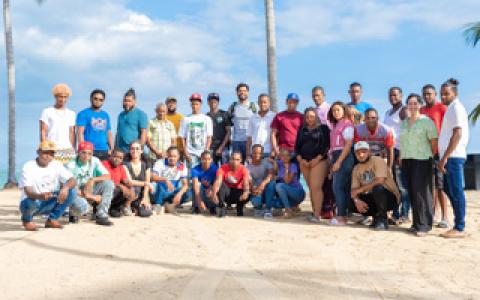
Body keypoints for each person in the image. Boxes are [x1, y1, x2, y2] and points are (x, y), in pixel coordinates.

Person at [400, 94, 438, 237]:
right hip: (407, 160)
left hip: (422, 160)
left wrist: (428, 156)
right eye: (410, 103)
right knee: (412, 192)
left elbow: (434, 142)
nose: (413, 106)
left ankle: (424, 225)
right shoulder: (404, 122)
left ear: (420, 105)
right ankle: (416, 223)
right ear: (407, 105)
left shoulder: (427, 121)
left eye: (415, 103)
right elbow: (403, 142)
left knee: (422, 193)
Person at [19, 141, 78, 231]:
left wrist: (65, 188)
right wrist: (40, 196)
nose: (48, 156)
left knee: (72, 191)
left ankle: (52, 220)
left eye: (51, 153)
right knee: (29, 202)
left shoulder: (56, 164)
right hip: (33, 202)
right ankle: (27, 220)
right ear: (38, 152)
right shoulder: (28, 166)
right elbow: (28, 191)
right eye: (45, 152)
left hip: (49, 200)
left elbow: (72, 180)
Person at [438, 78, 470, 238]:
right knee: (447, 189)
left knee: (456, 191)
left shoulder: (456, 108)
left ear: (454, 93)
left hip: (454, 156)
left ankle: (459, 227)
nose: (443, 97)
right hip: (450, 156)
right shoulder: (451, 108)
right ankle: (458, 222)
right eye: (441, 94)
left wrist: (445, 157)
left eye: (446, 94)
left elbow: (457, 134)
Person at [351, 141, 400, 230]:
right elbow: (353, 190)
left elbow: (380, 181)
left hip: (389, 197)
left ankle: (383, 220)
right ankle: (375, 217)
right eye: (358, 153)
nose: (361, 155)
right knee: (349, 201)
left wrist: (359, 190)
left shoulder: (377, 160)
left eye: (363, 151)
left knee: (377, 188)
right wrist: (356, 200)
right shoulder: (356, 168)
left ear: (369, 152)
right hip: (373, 198)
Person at [420, 84, 449, 228]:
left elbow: (448, 129)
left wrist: (446, 153)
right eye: (424, 94)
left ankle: (445, 217)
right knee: (429, 185)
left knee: (440, 185)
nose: (427, 96)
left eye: (429, 94)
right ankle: (433, 213)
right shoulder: (421, 110)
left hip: (439, 153)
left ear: (435, 94)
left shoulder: (442, 108)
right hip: (425, 153)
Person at [65, 141, 114, 226]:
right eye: (83, 152)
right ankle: (73, 213)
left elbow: (108, 176)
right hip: (75, 191)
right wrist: (92, 197)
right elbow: (68, 186)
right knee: (84, 208)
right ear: (78, 152)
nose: (86, 156)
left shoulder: (95, 161)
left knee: (109, 184)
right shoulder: (70, 164)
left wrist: (92, 180)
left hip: (89, 189)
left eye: (89, 153)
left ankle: (101, 215)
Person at [295, 107, 330, 223]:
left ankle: (317, 214)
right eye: (307, 117)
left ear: (316, 116)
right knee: (311, 188)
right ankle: (314, 211)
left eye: (312, 116)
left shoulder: (323, 128)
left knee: (316, 187)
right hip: (304, 162)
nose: (310, 119)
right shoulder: (302, 130)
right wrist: (301, 160)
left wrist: (317, 159)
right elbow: (297, 148)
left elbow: (326, 145)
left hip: (319, 161)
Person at [383, 87, 410, 223]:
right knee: (392, 184)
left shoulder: (404, 110)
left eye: (395, 95)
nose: (392, 97)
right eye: (390, 95)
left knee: (402, 185)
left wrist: (403, 153)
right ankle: (395, 213)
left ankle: (405, 214)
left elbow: (407, 131)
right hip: (389, 151)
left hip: (400, 150)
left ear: (401, 95)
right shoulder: (388, 112)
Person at [327, 101, 355, 226]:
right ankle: (343, 215)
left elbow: (348, 144)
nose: (336, 112)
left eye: (338, 109)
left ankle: (342, 217)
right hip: (336, 156)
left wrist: (338, 162)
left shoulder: (347, 123)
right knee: (338, 187)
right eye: (334, 110)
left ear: (344, 110)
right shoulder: (336, 125)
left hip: (344, 157)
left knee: (339, 187)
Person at [40, 83, 76, 163]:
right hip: (52, 148)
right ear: (55, 96)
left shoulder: (71, 113)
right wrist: (44, 148)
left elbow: (72, 133)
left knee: (68, 174)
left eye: (65, 97)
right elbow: (43, 131)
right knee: (52, 173)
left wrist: (73, 149)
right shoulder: (47, 111)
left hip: (67, 149)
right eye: (60, 96)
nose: (63, 99)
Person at [151, 146, 191, 214]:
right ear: (167, 155)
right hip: (160, 191)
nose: (172, 158)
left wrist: (179, 194)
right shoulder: (160, 162)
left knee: (189, 193)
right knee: (155, 185)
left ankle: (170, 205)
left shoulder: (181, 166)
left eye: (175, 156)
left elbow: (185, 185)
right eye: (170, 156)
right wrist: (165, 180)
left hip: (172, 192)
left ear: (178, 156)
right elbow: (153, 177)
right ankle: (158, 205)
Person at [76, 89, 114, 161]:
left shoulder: (105, 115)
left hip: (105, 151)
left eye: (101, 100)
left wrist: (112, 149)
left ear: (103, 101)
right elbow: (80, 132)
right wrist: (82, 149)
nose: (98, 101)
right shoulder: (83, 113)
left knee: (104, 172)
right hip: (90, 151)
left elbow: (108, 133)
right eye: (95, 99)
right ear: (91, 99)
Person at [179, 93, 213, 167]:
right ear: (191, 105)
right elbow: (182, 137)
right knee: (190, 175)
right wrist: (185, 152)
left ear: (200, 104)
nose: (195, 106)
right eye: (193, 104)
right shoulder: (185, 119)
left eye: (197, 104)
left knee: (203, 176)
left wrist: (206, 152)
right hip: (190, 153)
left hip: (203, 153)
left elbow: (209, 136)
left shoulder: (207, 119)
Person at [212, 151, 250, 217]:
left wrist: (246, 192)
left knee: (248, 192)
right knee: (220, 185)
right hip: (227, 193)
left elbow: (246, 182)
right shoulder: (222, 168)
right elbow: (218, 181)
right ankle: (221, 207)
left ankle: (239, 208)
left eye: (237, 159)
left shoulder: (244, 169)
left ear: (241, 160)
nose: (234, 161)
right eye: (232, 159)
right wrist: (214, 193)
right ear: (229, 159)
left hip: (238, 193)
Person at [101, 149, 137, 218]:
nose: (117, 159)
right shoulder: (104, 164)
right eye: (115, 156)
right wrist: (121, 186)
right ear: (111, 156)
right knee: (118, 189)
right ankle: (100, 209)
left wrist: (131, 187)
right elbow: (105, 180)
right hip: (104, 189)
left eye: (120, 158)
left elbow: (125, 180)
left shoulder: (120, 167)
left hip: (115, 191)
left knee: (130, 190)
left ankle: (113, 208)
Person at [122, 141, 153, 217]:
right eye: (132, 149)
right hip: (129, 193)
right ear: (130, 151)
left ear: (141, 151)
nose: (135, 151)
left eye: (137, 148)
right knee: (135, 189)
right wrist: (146, 183)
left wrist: (145, 197)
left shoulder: (146, 164)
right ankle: (126, 206)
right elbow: (130, 182)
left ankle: (135, 208)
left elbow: (147, 181)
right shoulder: (125, 164)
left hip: (141, 194)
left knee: (146, 213)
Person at [273, 148, 305, 218]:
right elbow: (274, 169)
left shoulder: (293, 166)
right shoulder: (279, 163)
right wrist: (275, 159)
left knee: (279, 186)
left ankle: (288, 210)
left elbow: (287, 181)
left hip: (298, 193)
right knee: (275, 203)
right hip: (289, 197)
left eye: (287, 155)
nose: (285, 157)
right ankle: (293, 207)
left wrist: (286, 169)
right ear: (280, 157)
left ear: (290, 157)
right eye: (283, 156)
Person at [228, 83, 257, 161]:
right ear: (237, 93)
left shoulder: (254, 106)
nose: (242, 92)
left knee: (250, 165)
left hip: (250, 141)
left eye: (244, 91)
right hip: (236, 141)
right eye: (240, 91)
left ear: (248, 92)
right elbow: (229, 124)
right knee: (236, 166)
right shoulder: (233, 106)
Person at [115, 88, 148, 153]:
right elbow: (117, 133)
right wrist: (115, 149)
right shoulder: (120, 115)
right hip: (121, 151)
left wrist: (140, 149)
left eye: (129, 101)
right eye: (125, 101)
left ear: (134, 102)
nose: (127, 103)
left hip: (133, 151)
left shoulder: (140, 114)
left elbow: (144, 133)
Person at [247, 144, 275, 218]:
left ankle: (268, 209)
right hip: (256, 190)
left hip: (266, 189)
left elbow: (271, 174)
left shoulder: (266, 162)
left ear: (262, 154)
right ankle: (259, 208)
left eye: (259, 153)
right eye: (255, 153)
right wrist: (253, 189)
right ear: (251, 153)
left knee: (272, 183)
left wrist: (263, 184)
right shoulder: (248, 167)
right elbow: (249, 182)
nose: (257, 155)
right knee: (256, 203)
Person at [246, 93, 276, 160]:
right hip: (254, 153)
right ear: (258, 103)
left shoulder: (274, 116)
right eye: (261, 102)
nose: (262, 104)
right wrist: (248, 154)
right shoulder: (253, 117)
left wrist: (274, 150)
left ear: (269, 103)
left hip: (268, 152)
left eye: (265, 102)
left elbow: (277, 136)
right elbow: (249, 137)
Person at [207, 93, 231, 165]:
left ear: (218, 102)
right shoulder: (206, 116)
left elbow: (229, 132)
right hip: (211, 147)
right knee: (212, 169)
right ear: (208, 103)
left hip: (224, 147)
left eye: (215, 101)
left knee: (225, 169)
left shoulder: (224, 114)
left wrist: (221, 147)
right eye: (211, 101)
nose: (213, 103)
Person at [191, 150, 219, 215]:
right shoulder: (195, 169)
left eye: (208, 159)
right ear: (200, 159)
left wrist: (211, 189)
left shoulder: (215, 169)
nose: (206, 161)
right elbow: (195, 184)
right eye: (204, 159)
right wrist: (199, 201)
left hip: (210, 191)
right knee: (196, 185)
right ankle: (196, 206)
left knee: (214, 188)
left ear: (211, 160)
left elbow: (217, 183)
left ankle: (213, 207)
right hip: (200, 191)